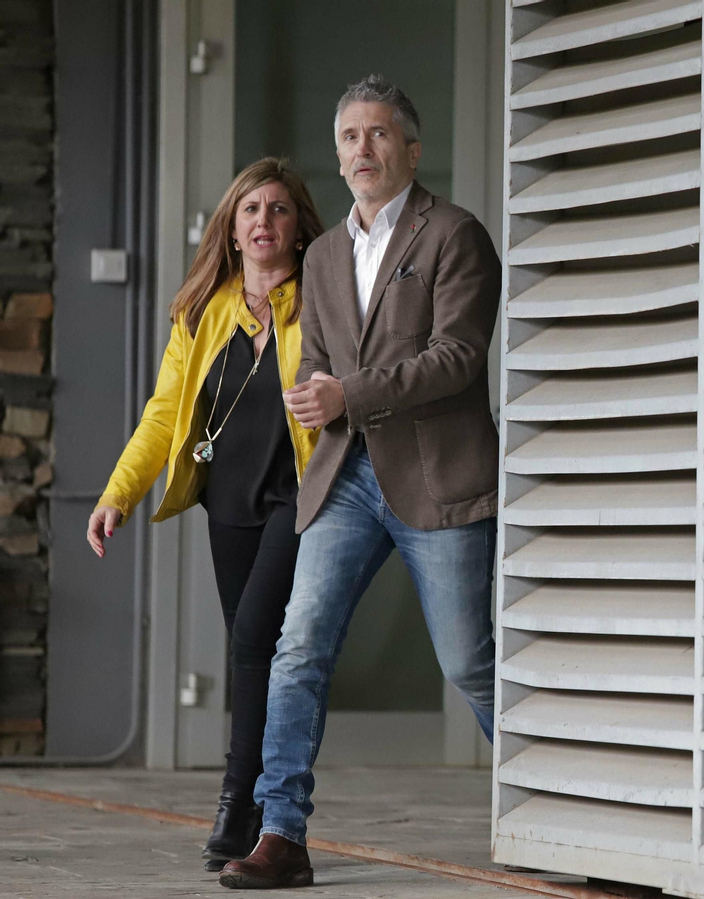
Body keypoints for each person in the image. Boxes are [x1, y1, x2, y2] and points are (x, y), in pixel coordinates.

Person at [219, 74, 501, 890]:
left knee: (468, 661)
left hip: (437, 476)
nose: (363, 149)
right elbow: (319, 359)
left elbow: (458, 358)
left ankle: (554, 797)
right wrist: (313, 393)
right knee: (297, 645)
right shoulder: (324, 254)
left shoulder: (455, 234)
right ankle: (282, 833)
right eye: (349, 137)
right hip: (345, 476)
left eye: (379, 134)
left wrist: (350, 391)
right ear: (339, 159)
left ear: (411, 149)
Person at [87, 159, 324, 872]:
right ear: (231, 226)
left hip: (298, 492)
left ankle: (238, 802)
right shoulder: (202, 310)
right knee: (249, 650)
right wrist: (117, 492)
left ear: (298, 227)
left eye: (278, 209)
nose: (263, 222)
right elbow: (165, 414)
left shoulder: (321, 303)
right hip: (229, 497)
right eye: (250, 209)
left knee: (258, 636)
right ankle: (255, 807)